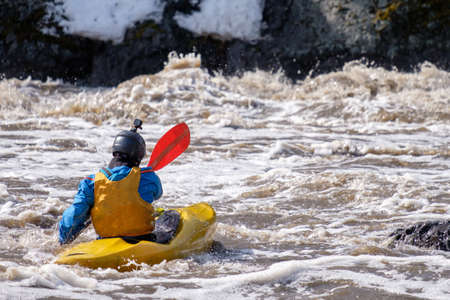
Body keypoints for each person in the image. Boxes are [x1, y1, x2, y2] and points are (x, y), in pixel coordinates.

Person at [58, 119, 180, 245]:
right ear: (139, 157)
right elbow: (158, 193)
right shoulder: (148, 177)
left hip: (106, 242)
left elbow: (72, 215)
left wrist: (63, 240)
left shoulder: (90, 182)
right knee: (172, 215)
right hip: (142, 240)